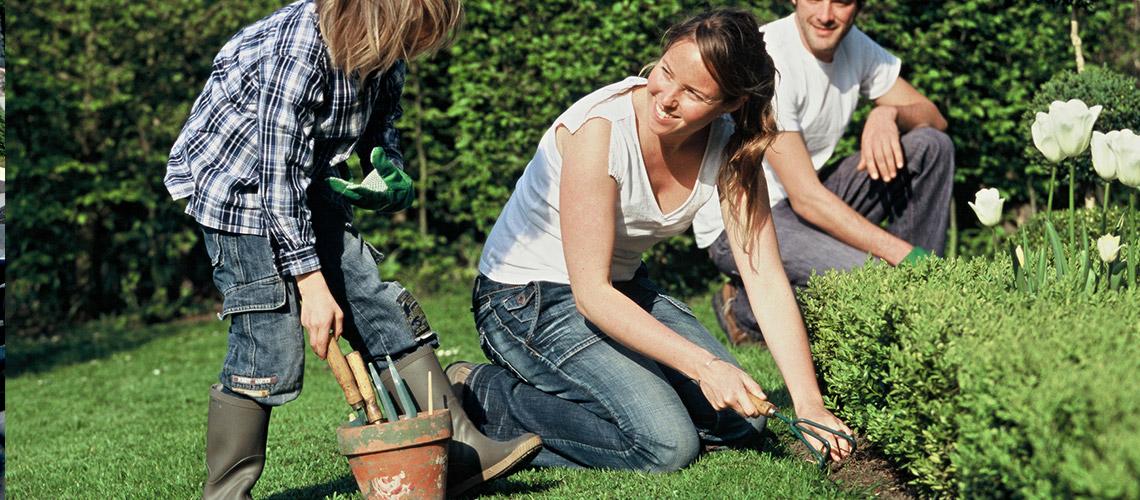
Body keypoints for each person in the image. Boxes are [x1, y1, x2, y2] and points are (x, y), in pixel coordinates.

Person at [446, 8, 852, 472]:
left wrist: (810, 405)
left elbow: (764, 279)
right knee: (666, 446)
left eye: (694, 93)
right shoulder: (600, 132)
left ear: (731, 103)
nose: (667, 97)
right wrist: (705, 367)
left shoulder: (733, 148)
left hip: (619, 288)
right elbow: (591, 294)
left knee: (741, 423)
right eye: (665, 72)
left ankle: (602, 403)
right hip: (525, 300)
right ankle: (482, 394)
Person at [164, 1, 541, 498]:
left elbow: (383, 119)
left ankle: (459, 453)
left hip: (307, 180)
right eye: (411, 34)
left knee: (376, 301)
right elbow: (276, 179)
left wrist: (388, 165)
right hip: (240, 191)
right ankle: (226, 493)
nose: (412, 47)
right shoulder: (299, 46)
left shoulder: (386, 44)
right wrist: (311, 285)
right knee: (268, 338)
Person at [692, 0, 954, 345]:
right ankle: (742, 309)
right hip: (743, 220)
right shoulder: (769, 58)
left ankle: (923, 299)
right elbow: (807, 199)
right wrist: (902, 257)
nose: (827, 15)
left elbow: (935, 119)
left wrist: (886, 115)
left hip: (803, 201)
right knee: (872, 280)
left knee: (931, 146)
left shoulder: (854, 44)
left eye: (842, 1)